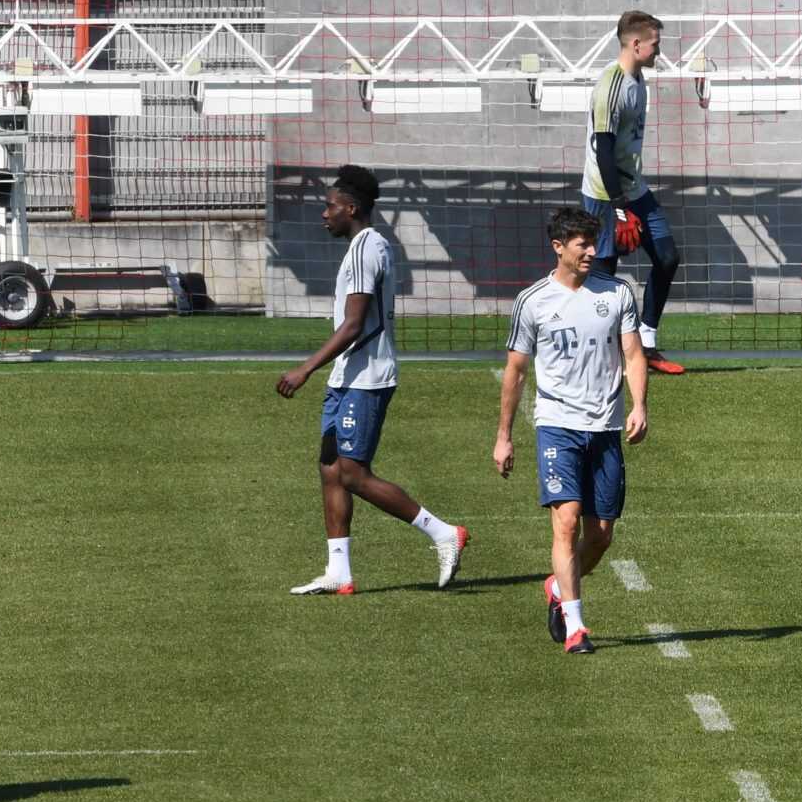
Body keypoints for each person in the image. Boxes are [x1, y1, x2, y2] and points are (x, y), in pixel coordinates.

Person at [278, 164, 468, 595]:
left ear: (352, 207)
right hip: (348, 377)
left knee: (352, 472)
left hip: (368, 378)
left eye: (330, 207)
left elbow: (353, 325)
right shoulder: (358, 248)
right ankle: (339, 572)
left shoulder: (368, 248)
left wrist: (305, 369)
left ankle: (443, 533)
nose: (324, 214)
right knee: (330, 469)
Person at [494, 209, 649, 654]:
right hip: (558, 425)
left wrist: (639, 405)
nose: (591, 251)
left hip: (605, 427)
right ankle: (577, 627)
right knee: (565, 522)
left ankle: (557, 588)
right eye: (581, 243)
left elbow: (634, 355)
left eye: (593, 242)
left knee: (600, 535)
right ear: (558, 247)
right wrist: (504, 435)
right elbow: (517, 371)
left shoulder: (617, 293)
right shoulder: (533, 301)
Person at [580, 9, 685, 375]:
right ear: (636, 43)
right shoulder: (610, 87)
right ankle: (605, 356)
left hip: (633, 187)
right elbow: (603, 150)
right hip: (604, 192)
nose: (660, 51)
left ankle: (648, 342)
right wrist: (621, 206)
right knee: (604, 277)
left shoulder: (640, 82)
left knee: (668, 257)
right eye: (656, 44)